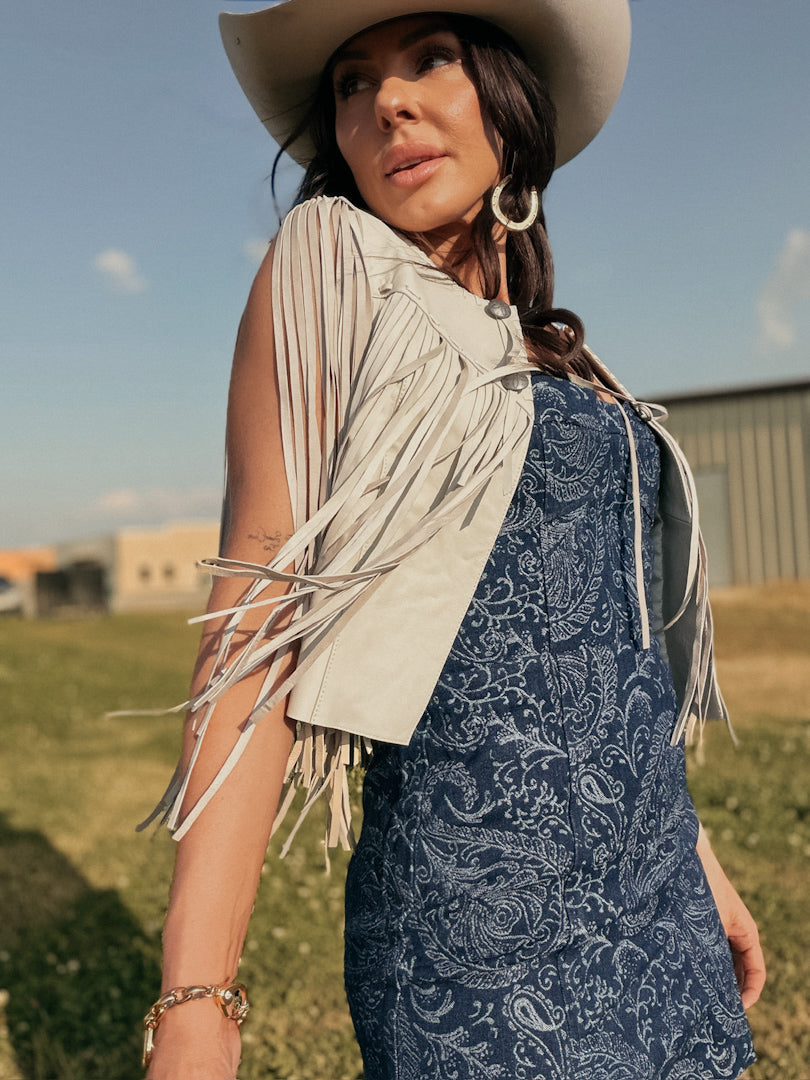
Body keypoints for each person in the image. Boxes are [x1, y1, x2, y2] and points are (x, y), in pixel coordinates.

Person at [142, 0, 766, 1076]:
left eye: (430, 57)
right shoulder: (330, 262)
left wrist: (695, 854)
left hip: (657, 903)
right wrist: (198, 1000)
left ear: (509, 100)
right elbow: (259, 604)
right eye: (352, 82)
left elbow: (603, 653)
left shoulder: (553, 351)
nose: (387, 99)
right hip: (478, 935)